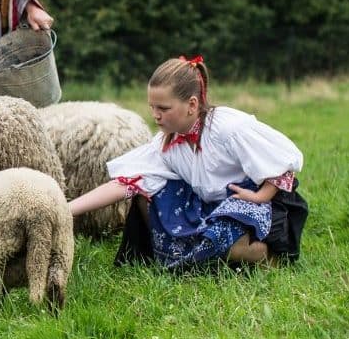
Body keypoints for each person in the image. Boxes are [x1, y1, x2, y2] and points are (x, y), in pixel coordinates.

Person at [68, 55, 309, 271]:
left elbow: (282, 164)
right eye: (152, 107)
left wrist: (260, 197)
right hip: (211, 204)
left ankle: (267, 257)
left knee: (225, 238)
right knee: (146, 194)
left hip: (265, 201)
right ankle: (190, 260)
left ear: (192, 105)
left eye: (163, 108)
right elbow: (126, 184)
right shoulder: (165, 144)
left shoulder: (229, 128)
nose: (156, 115)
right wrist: (66, 209)